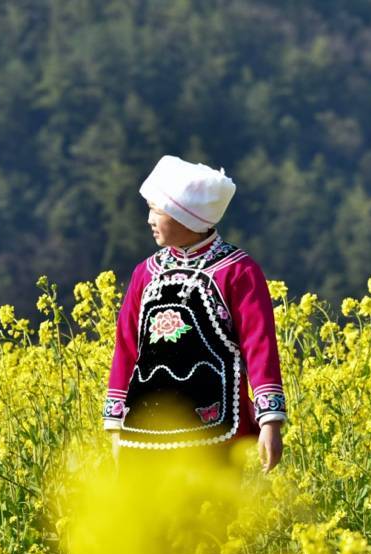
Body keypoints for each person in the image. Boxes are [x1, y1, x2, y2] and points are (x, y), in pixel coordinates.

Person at [103, 155, 286, 468]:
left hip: (217, 430)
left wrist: (270, 422)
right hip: (145, 430)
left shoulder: (237, 271)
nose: (149, 219)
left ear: (187, 216)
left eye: (156, 210)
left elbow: (260, 345)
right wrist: (116, 427)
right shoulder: (145, 274)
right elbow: (127, 348)